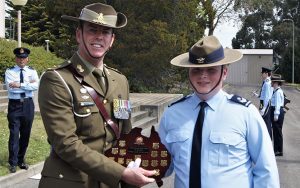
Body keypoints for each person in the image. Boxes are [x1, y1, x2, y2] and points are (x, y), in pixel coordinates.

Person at [38, 3, 155, 188]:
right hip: (73, 181)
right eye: (92, 30)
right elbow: (66, 144)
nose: (99, 36)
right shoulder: (57, 79)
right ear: (79, 35)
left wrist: (136, 167)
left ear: (112, 39)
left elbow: (125, 133)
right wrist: (121, 173)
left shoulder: (120, 80)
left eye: (106, 32)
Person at [158, 36, 279, 188]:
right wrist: (136, 166)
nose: (203, 76)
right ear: (188, 73)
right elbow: (162, 164)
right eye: (196, 70)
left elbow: (266, 170)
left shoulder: (245, 113)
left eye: (211, 69)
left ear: (224, 72)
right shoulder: (172, 114)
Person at [5, 47, 39, 173]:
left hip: (28, 105)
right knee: (14, 134)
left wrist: (20, 85)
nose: (21, 60)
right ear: (16, 58)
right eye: (19, 58)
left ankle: (21, 160)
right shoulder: (9, 71)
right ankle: (13, 162)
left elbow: (36, 86)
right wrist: (27, 86)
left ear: (27, 59)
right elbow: (11, 89)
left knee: (26, 134)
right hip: (14, 105)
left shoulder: (32, 71)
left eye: (24, 58)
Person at [270, 74, 285, 156]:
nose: (271, 83)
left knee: (277, 131)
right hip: (276, 111)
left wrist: (276, 114)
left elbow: (278, 104)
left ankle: (279, 150)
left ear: (275, 82)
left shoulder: (278, 92)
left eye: (272, 81)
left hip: (277, 112)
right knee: (275, 131)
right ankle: (276, 149)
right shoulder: (275, 91)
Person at [258, 67, 273, 139]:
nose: (261, 74)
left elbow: (267, 97)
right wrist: (258, 95)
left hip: (265, 104)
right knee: (264, 121)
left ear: (266, 73)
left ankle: (268, 139)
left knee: (266, 122)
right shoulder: (266, 81)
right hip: (262, 102)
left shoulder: (267, 83)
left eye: (262, 73)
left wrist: (264, 108)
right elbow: (263, 95)